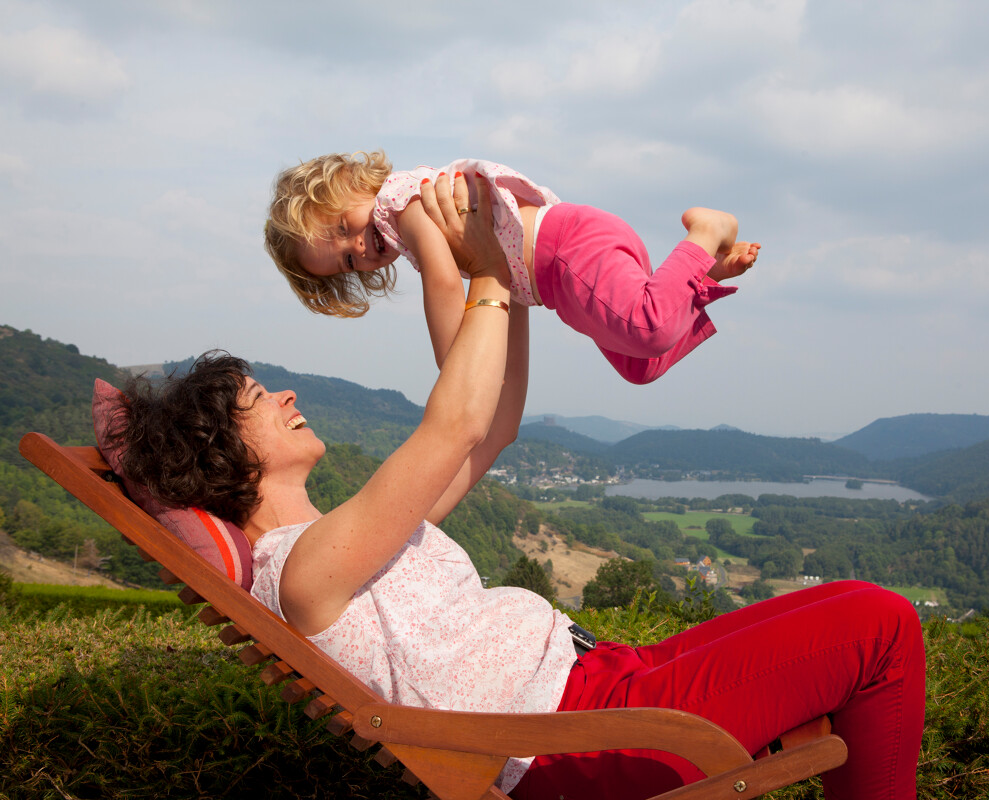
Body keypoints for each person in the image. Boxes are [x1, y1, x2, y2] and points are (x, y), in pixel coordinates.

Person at [122, 174, 924, 799]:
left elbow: (492, 427)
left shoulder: (351, 535)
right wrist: (483, 273)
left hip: (603, 685)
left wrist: (511, 274)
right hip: (581, 740)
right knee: (881, 626)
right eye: (262, 401)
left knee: (850, 601)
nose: (288, 396)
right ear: (228, 456)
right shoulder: (306, 573)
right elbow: (455, 427)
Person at [263, 152, 760, 384]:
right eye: (347, 260)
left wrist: (453, 360)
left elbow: (440, 278)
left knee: (647, 328)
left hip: (568, 249)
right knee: (640, 364)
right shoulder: (396, 221)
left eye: (340, 226)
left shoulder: (399, 202)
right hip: (561, 281)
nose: (357, 245)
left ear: (352, 183)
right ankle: (701, 274)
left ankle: (704, 232)